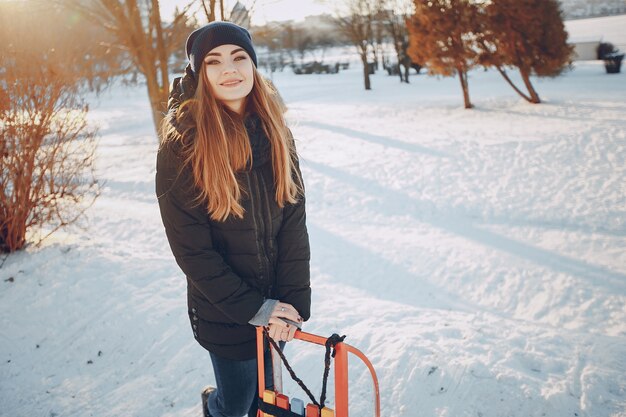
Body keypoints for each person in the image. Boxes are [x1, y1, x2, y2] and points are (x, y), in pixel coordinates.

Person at [155, 21, 311, 417]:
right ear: (199, 73)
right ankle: (213, 406)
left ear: (253, 66)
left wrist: (291, 301)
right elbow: (193, 251)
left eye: (239, 57)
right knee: (238, 401)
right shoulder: (184, 143)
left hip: (276, 302)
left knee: (269, 399)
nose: (230, 69)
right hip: (224, 309)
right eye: (214, 61)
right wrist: (253, 308)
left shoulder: (276, 129)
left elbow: (293, 216)